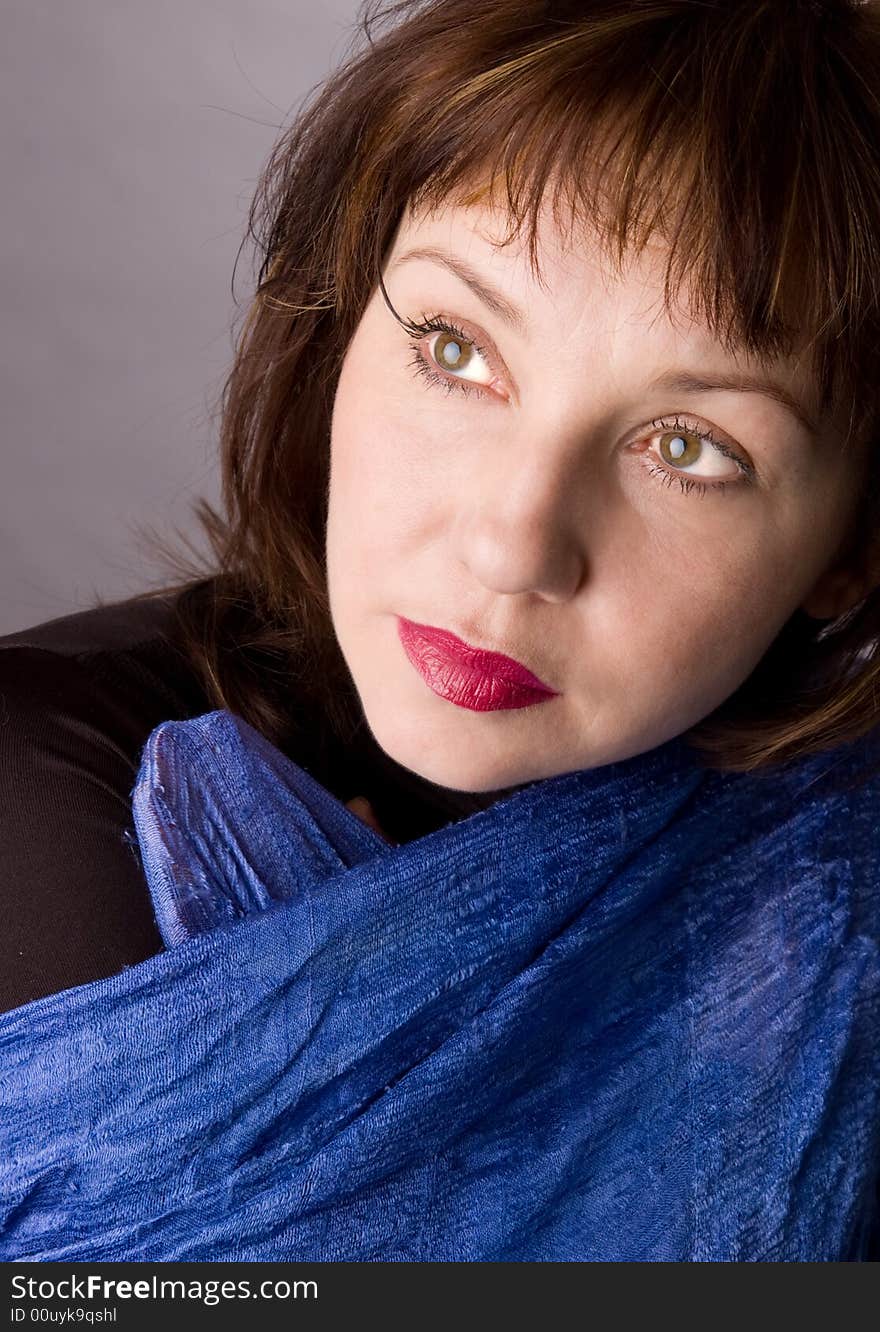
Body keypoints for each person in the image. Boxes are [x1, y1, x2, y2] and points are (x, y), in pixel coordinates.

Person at [1, 0, 879, 1252]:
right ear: (340, 324)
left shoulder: (839, 916)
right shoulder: (41, 793)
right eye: (456, 349)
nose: (513, 544)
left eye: (688, 447)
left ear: (848, 547)